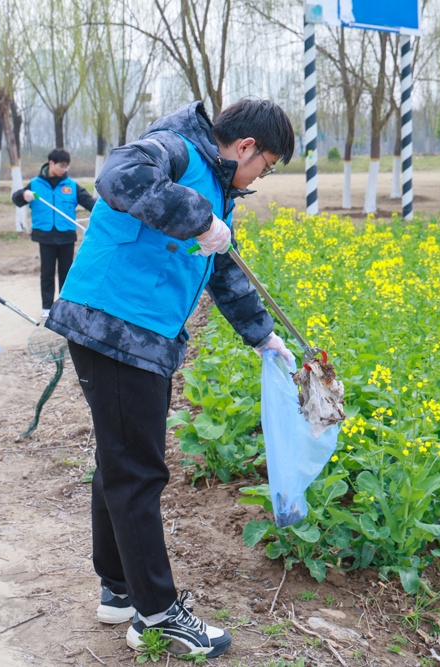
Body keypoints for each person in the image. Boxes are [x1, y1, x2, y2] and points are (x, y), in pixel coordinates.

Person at [44, 99, 295, 659]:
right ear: (247, 147)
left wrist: (262, 336)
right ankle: (156, 614)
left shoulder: (219, 187)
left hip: (137, 333)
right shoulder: (176, 148)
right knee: (137, 472)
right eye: (267, 165)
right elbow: (119, 177)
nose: (261, 177)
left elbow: (222, 268)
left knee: (119, 462)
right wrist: (201, 219)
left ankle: (119, 588)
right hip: (114, 325)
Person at [12, 148, 95, 320]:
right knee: (47, 273)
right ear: (51, 163)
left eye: (66, 166)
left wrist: (105, 210)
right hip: (45, 236)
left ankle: (65, 305)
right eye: (61, 166)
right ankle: (47, 307)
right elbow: (16, 199)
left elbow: (89, 203)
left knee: (66, 272)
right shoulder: (35, 184)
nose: (64, 169)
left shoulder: (71, 185)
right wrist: (24, 195)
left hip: (66, 236)